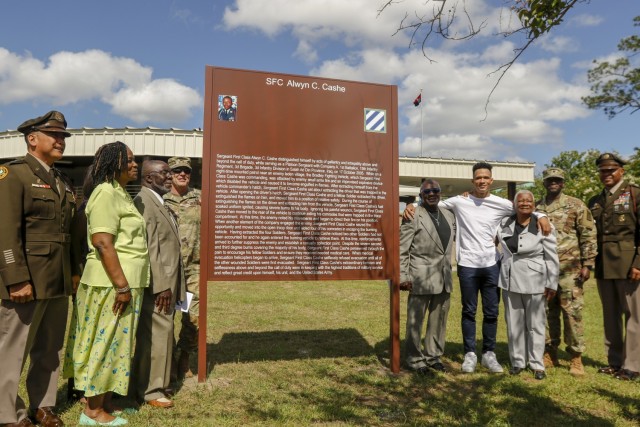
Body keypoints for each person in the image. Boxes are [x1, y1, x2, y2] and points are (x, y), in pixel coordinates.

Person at [404, 162, 550, 374]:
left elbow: (525, 206)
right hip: (467, 265)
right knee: (469, 311)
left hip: (492, 264)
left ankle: (489, 354)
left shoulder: (501, 203)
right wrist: (413, 204)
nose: (482, 181)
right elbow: (432, 202)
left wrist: (542, 215)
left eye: (486, 178)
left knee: (491, 312)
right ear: (473, 181)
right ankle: (470, 354)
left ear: (491, 180)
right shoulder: (460, 201)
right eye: (478, 178)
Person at [0, 111, 79, 427]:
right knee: (13, 350)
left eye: (62, 136)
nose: (61, 141)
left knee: (50, 350)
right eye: (54, 135)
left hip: (56, 282)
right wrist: (16, 278)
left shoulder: (61, 180)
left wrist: (72, 274)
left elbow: (67, 233)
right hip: (26, 282)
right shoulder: (12, 174)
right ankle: (6, 414)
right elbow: (6, 232)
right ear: (32, 139)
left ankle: (42, 406)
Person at [71, 141, 149, 425]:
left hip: (124, 281)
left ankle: (104, 403)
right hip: (111, 284)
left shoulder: (120, 193)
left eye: (134, 159)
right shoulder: (105, 193)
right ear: (111, 162)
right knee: (105, 344)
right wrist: (122, 286)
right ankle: (92, 411)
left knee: (116, 344)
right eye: (128, 159)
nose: (134, 164)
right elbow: (103, 243)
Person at [132, 161, 186, 408]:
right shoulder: (145, 202)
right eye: (164, 173)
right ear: (148, 178)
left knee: (164, 334)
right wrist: (162, 285)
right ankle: (151, 391)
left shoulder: (159, 201)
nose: (170, 177)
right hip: (158, 286)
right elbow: (150, 247)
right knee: (154, 336)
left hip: (169, 284)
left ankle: (158, 383)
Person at [536, 167, 597, 376]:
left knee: (572, 313)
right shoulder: (538, 207)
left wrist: (587, 264)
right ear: (544, 182)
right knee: (546, 312)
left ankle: (575, 357)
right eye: (550, 180)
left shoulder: (576, 205)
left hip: (570, 270)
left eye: (557, 180)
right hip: (545, 270)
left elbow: (588, 234)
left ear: (563, 183)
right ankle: (549, 353)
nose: (553, 182)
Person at [588, 153, 640, 381]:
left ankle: (633, 365)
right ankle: (614, 361)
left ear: (621, 171)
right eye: (603, 171)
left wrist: (638, 263)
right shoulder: (595, 200)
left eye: (611, 170)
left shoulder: (635, 194)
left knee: (633, 316)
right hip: (603, 264)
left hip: (629, 263)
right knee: (610, 315)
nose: (606, 174)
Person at [497, 190, 559, 380]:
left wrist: (552, 283)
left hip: (535, 280)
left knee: (536, 325)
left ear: (534, 204)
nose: (524, 203)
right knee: (514, 323)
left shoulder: (543, 226)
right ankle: (517, 362)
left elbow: (552, 256)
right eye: (520, 201)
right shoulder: (504, 223)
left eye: (529, 201)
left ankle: (537, 364)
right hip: (509, 279)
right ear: (514, 204)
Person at [400, 179, 455, 374]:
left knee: (438, 320)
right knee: (415, 321)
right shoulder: (413, 215)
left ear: (440, 193)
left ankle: (433, 357)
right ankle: (414, 360)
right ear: (421, 195)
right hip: (419, 277)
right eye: (427, 191)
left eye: (435, 190)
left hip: (444, 277)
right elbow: (402, 248)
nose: (432, 194)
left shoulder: (449, 215)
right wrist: (403, 276)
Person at [164, 157, 201, 379]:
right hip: (170, 268)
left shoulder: (199, 198)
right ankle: (167, 361)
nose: (182, 174)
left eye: (186, 171)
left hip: (193, 268)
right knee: (167, 314)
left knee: (192, 315)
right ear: (170, 174)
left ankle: (184, 356)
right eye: (178, 170)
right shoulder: (162, 201)